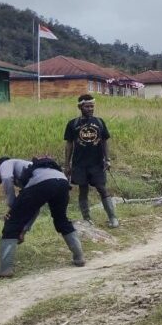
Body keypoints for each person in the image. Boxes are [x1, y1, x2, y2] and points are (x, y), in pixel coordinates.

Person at [0, 157, 85, 277]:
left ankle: (4, 270)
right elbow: (34, 207)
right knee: (61, 220)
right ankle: (79, 258)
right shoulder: (32, 168)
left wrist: (12, 204)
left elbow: (6, 178)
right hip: (62, 181)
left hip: (44, 183)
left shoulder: (5, 163)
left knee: (12, 223)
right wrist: (24, 230)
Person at [64, 94, 119, 228]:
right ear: (80, 107)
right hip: (79, 164)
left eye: (92, 106)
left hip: (97, 163)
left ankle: (113, 218)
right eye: (87, 106)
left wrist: (108, 159)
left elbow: (105, 142)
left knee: (102, 188)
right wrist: (67, 164)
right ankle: (87, 219)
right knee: (83, 191)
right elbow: (69, 145)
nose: (90, 109)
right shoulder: (73, 124)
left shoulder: (99, 122)